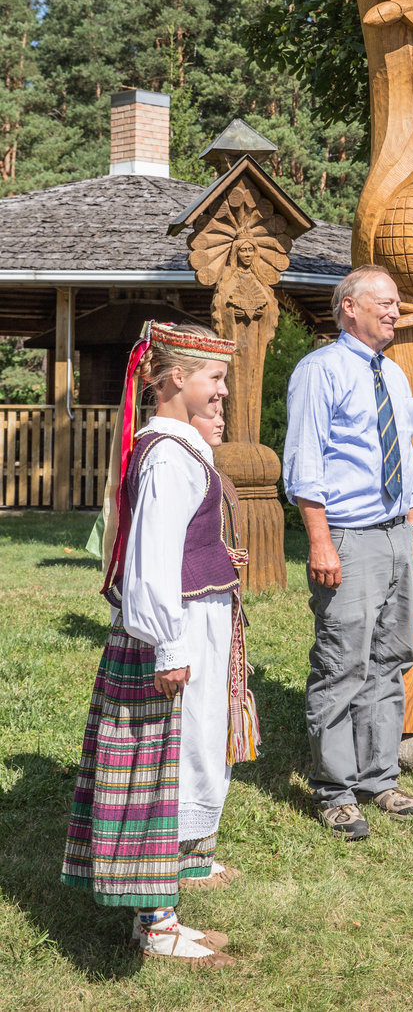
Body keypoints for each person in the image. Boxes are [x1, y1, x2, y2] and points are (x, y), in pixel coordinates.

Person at [61, 321, 255, 969]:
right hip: (173, 638)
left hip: (188, 627)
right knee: (163, 772)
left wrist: (217, 554)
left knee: (184, 762)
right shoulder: (170, 454)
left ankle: (166, 902)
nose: (224, 393)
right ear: (175, 379)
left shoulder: (177, 447)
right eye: (215, 379)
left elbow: (177, 545)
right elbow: (148, 561)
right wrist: (171, 649)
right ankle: (157, 924)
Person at [283, 265, 413, 840]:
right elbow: (304, 463)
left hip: (394, 534)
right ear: (349, 307)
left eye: (396, 304)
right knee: (343, 661)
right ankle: (336, 789)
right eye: (384, 302)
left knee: (389, 660)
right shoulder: (320, 371)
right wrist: (320, 539)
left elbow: (407, 460)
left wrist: (412, 529)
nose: (394, 311)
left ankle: (380, 777)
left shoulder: (392, 375)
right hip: (346, 535)